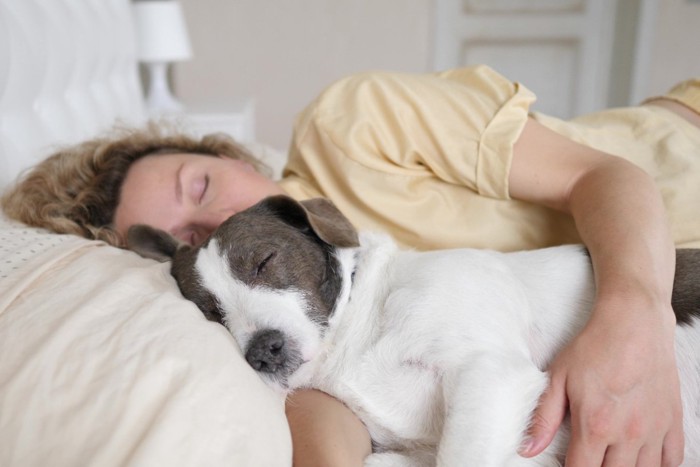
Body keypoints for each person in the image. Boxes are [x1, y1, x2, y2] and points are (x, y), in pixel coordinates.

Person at [3, 65, 700, 466]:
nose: (214, 231)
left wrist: (634, 313)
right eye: (187, 240)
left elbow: (606, 175)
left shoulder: (351, 128)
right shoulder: (311, 340)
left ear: (236, 157)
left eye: (201, 189)